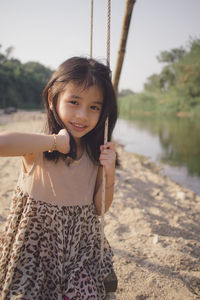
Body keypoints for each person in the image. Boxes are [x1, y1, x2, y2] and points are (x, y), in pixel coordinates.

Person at [0, 57, 118, 300]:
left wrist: (109, 174)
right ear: (53, 100)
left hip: (80, 249)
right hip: (35, 250)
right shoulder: (39, 148)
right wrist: (55, 142)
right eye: (73, 102)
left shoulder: (94, 155)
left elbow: (100, 208)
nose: (82, 115)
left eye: (94, 107)